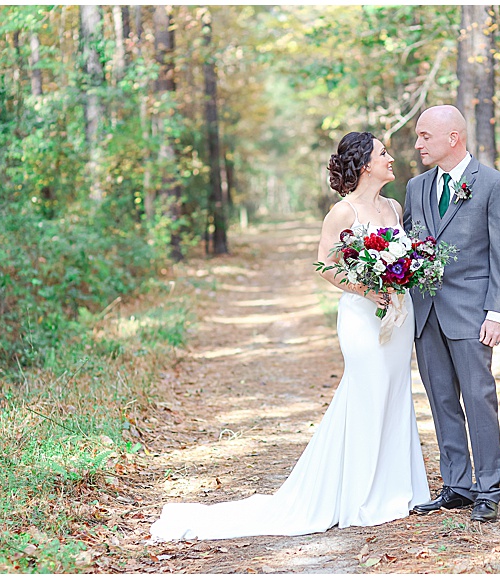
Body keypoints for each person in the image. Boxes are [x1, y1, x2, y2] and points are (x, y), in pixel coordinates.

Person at [149, 131, 429, 541]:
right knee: (366, 392)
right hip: (362, 317)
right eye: (383, 153)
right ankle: (358, 496)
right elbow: (327, 267)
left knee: (395, 391)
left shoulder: (394, 206)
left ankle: (395, 489)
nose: (392, 157)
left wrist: (401, 279)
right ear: (365, 164)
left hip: (398, 315)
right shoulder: (342, 213)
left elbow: (401, 259)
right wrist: (370, 290)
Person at [402, 105, 500, 523]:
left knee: (478, 398)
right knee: (441, 401)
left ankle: (489, 488)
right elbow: (408, 247)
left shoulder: (492, 184)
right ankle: (457, 485)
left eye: (424, 137)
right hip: (426, 312)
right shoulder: (416, 187)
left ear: (454, 137)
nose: (417, 145)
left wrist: (496, 313)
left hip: (473, 314)